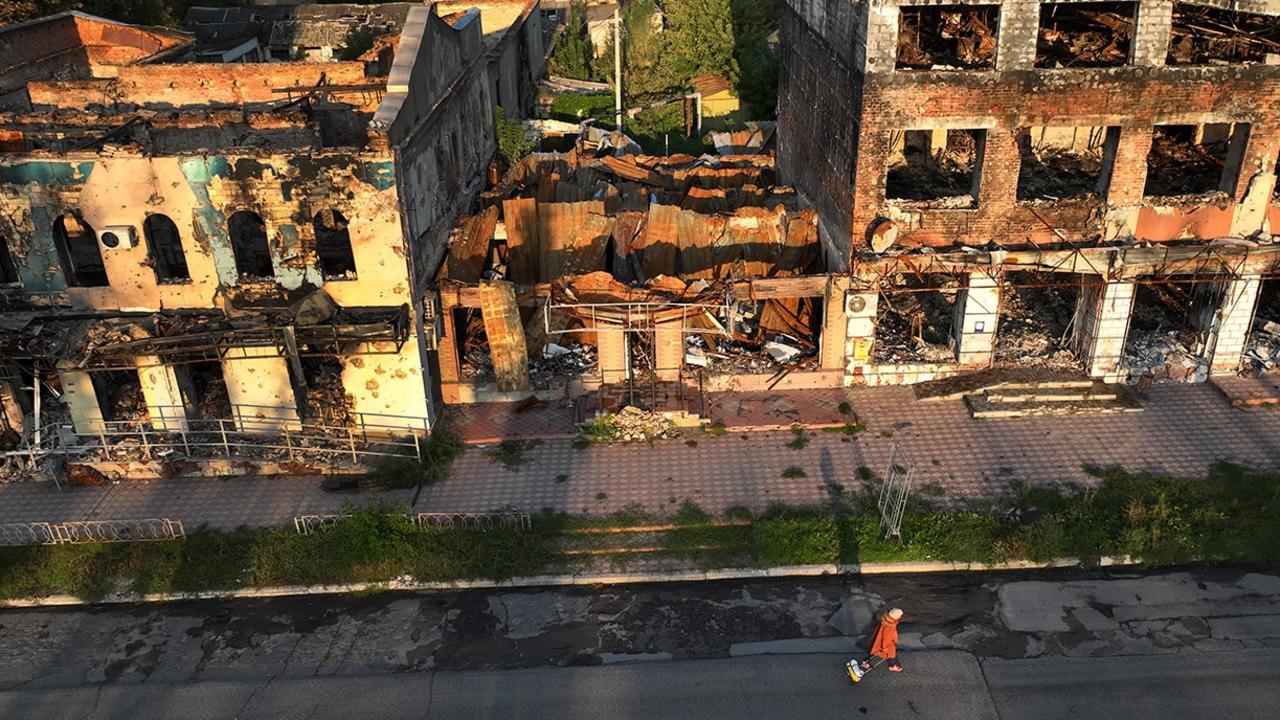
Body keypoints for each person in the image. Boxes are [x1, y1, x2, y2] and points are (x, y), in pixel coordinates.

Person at [860, 607, 904, 672]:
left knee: (875, 651)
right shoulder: (890, 626)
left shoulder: (886, 621)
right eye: (900, 616)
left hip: (879, 640)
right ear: (896, 617)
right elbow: (886, 638)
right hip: (888, 644)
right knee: (891, 655)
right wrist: (885, 648)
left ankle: (865, 661)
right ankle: (893, 666)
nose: (900, 617)